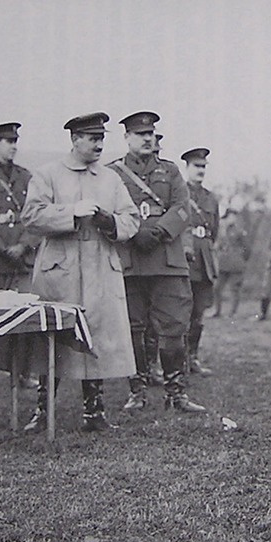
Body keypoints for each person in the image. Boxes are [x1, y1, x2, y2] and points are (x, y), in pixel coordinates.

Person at [20, 113, 142, 432]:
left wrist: (109, 222)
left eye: (102, 138)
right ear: (74, 139)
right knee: (54, 338)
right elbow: (31, 216)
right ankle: (42, 409)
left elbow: (131, 219)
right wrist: (69, 213)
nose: (99, 144)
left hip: (101, 264)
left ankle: (95, 411)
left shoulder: (111, 178)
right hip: (61, 267)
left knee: (96, 336)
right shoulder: (47, 174)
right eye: (92, 138)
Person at [109, 111, 208, 413]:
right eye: (141, 134)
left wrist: (159, 231)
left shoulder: (171, 170)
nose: (148, 138)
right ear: (126, 138)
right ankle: (137, 391)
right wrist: (134, 232)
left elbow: (182, 209)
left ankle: (175, 393)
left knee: (174, 327)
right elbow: (107, 210)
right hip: (131, 259)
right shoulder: (112, 173)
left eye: (151, 133)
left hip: (167, 259)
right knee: (133, 327)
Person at [0, 122, 38, 293]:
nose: (14, 147)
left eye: (15, 141)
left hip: (22, 260)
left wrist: (24, 245)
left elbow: (35, 214)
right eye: (8, 142)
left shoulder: (26, 177)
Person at [180, 147, 220, 373]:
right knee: (179, 313)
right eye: (196, 166)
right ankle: (176, 360)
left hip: (203, 261)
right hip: (184, 259)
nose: (200, 171)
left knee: (198, 313)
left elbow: (215, 230)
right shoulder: (179, 194)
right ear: (187, 168)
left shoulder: (210, 198)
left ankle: (192, 357)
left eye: (204, 167)